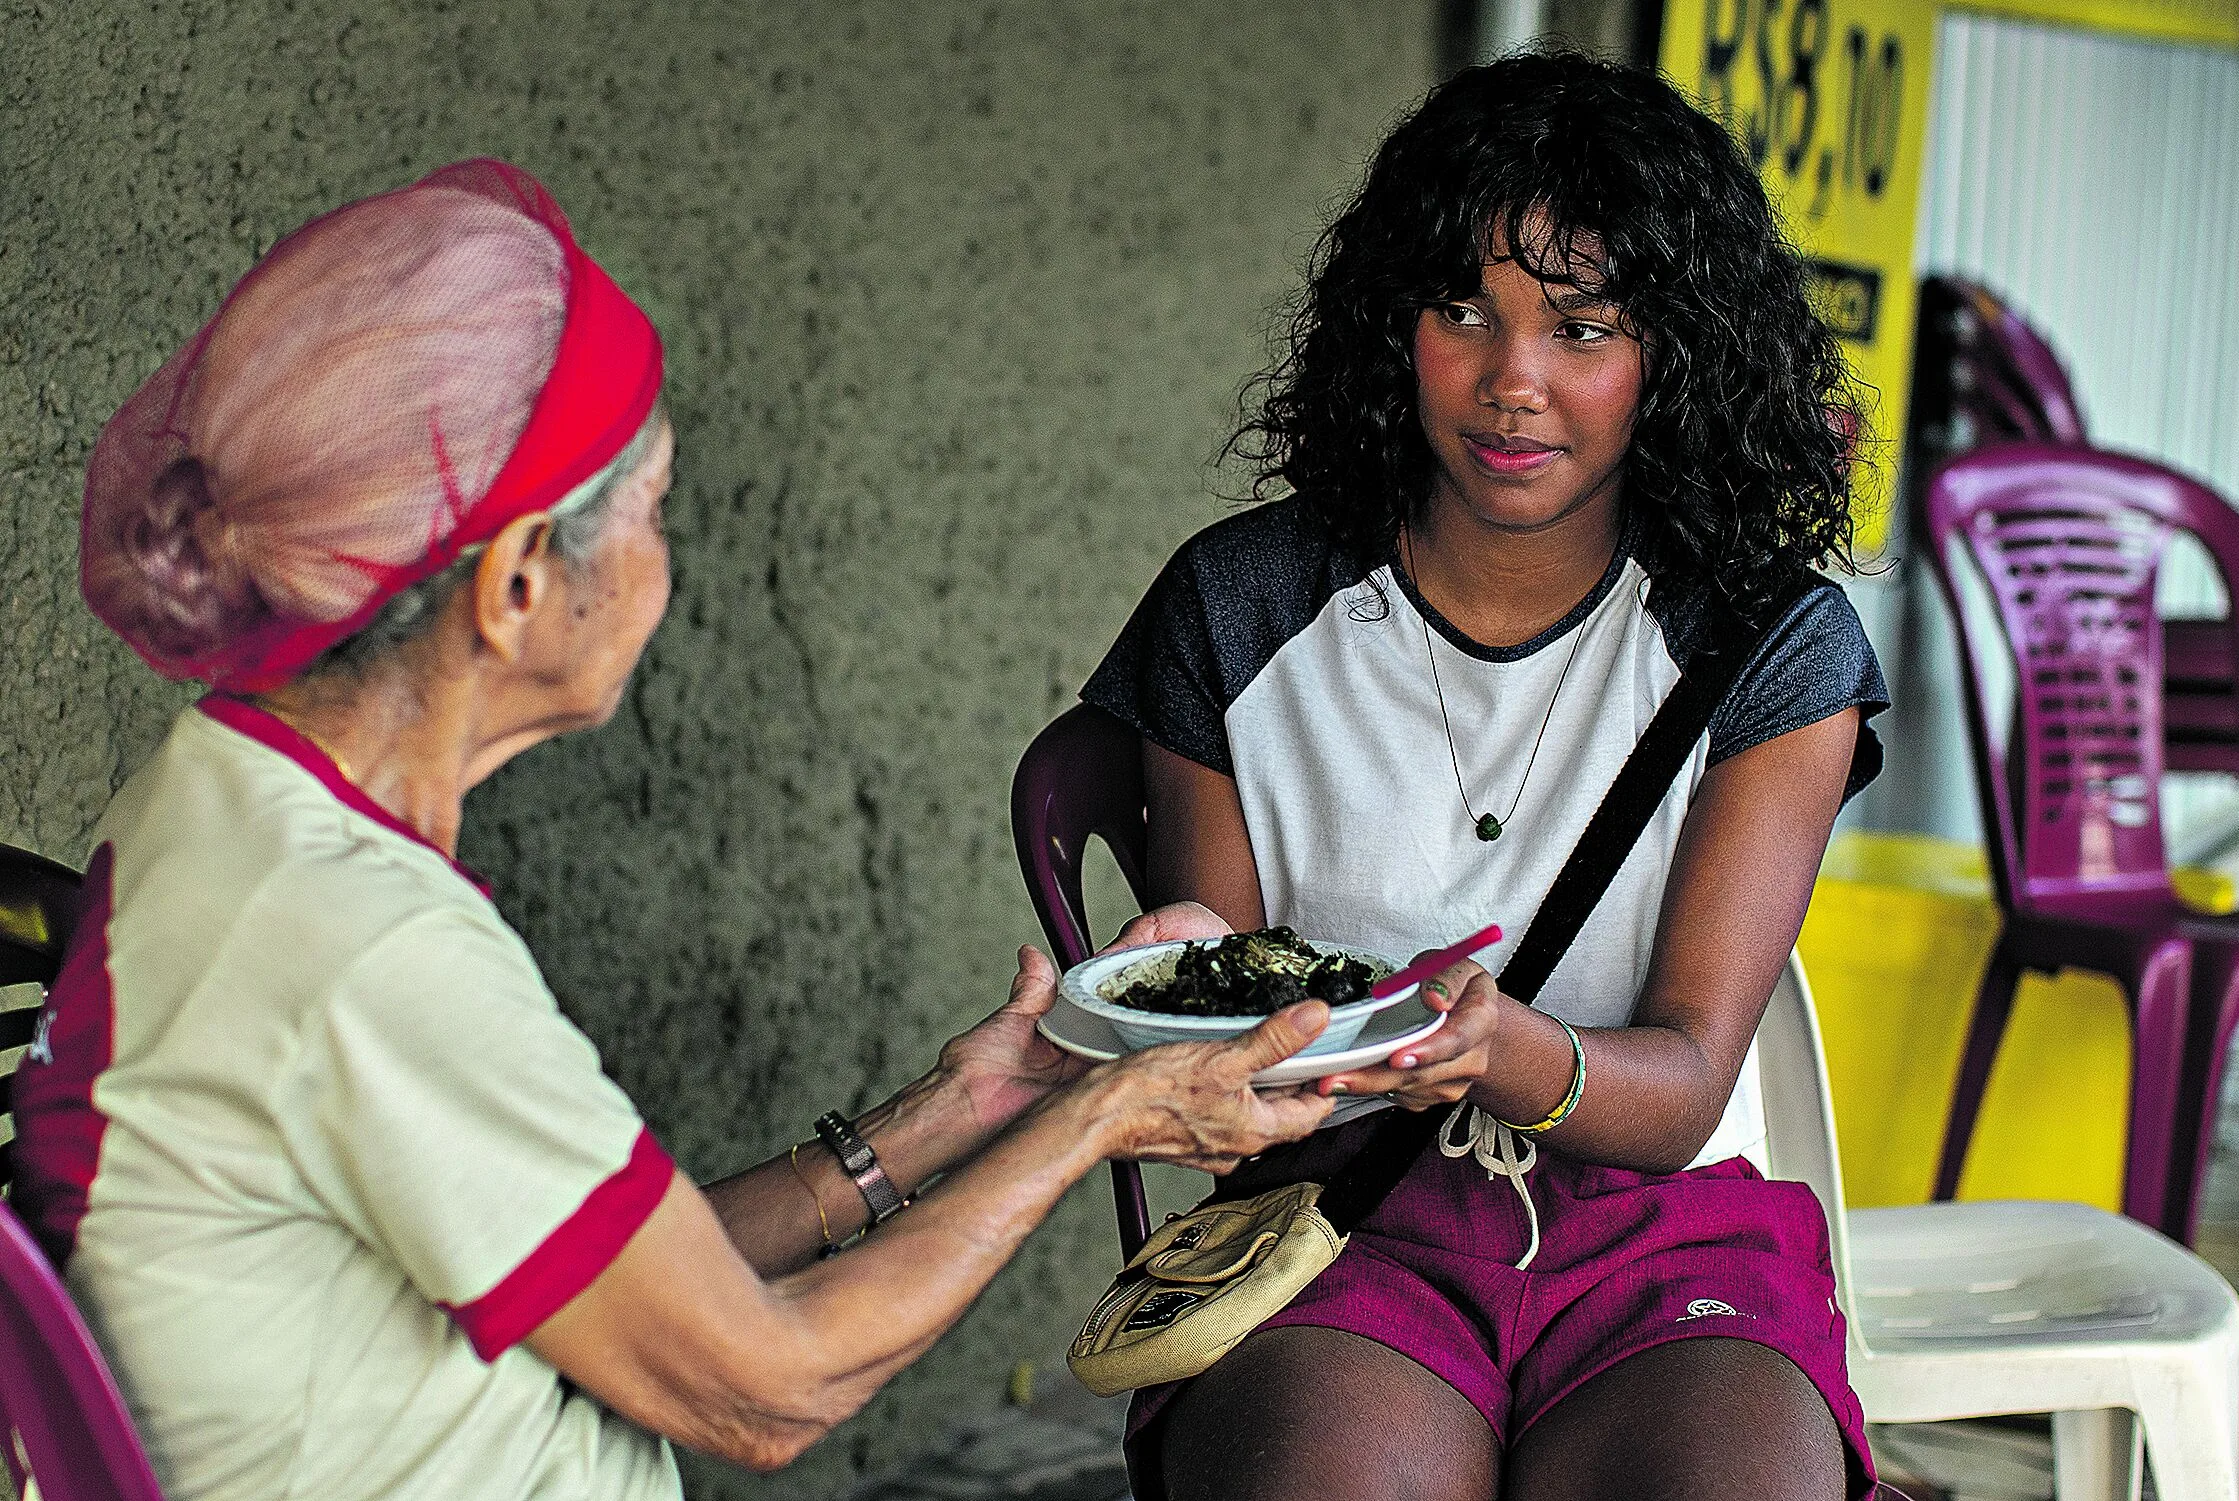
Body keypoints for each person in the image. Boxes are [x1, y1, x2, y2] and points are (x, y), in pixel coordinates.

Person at [13, 159, 1337, 1501]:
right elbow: (764, 1386)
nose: (665, 561)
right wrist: (1106, 1118)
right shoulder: (360, 948)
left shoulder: (228, 795)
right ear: (524, 583)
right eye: (651, 511)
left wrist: (980, 1103)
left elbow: (626, 1272)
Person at [1083, 53, 1891, 1501]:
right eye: (1465, 310)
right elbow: (1234, 1034)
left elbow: (1688, 1082)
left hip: (1665, 1230)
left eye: (1583, 328)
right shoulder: (1241, 609)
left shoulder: (1767, 644)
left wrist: (1494, 1049)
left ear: (1676, 359)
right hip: (1342, 1216)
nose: (1512, 383)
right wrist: (1189, 981)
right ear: (1396, 325)